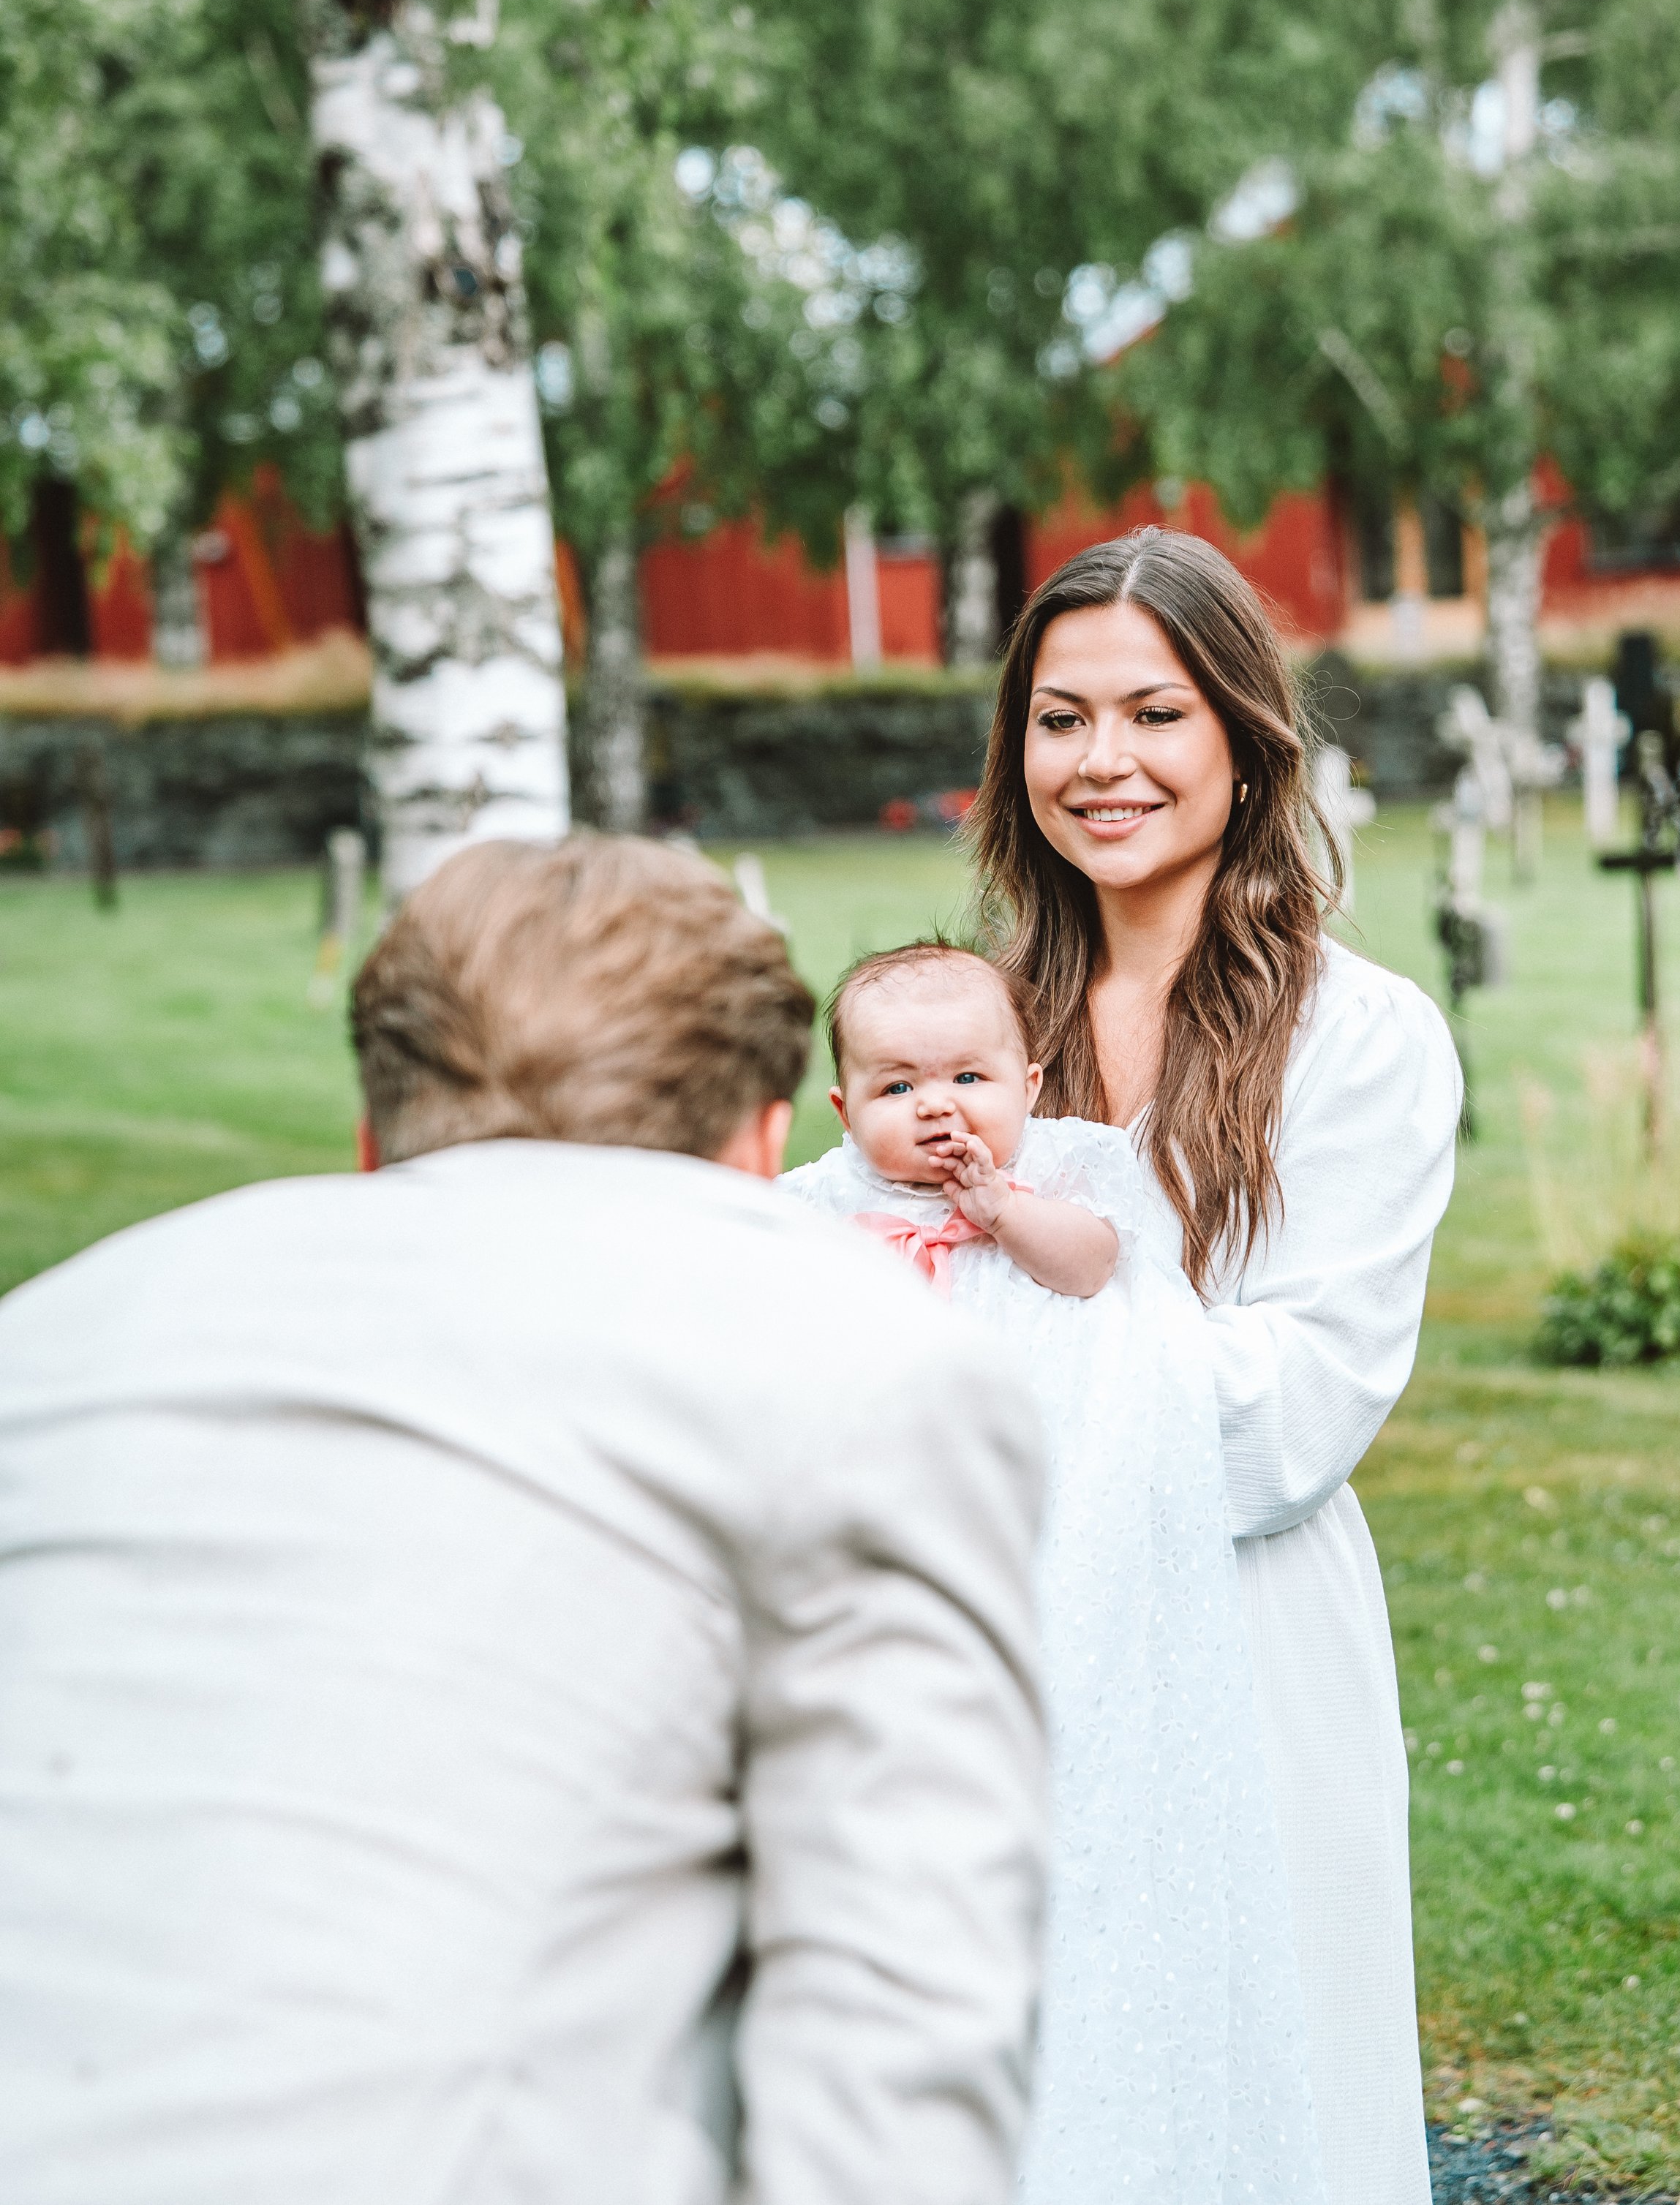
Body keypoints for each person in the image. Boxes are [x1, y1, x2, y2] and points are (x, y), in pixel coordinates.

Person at [0, 835, 1050, 2205]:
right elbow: (903, 2005)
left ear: (376, 1138)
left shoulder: (57, 1335)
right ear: (764, 1139)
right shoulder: (859, 1352)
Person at [968, 528, 1462, 2205]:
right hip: (995, 1631)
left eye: (1151, 713)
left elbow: (1294, 1404)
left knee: (1260, 2099)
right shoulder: (966, 1034)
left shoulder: (1359, 1037)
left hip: (1241, 1636)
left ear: (1245, 743)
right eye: (1057, 719)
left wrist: (981, 1390)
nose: (1098, 762)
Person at [783, 941, 1326, 2205]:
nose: (941, 1109)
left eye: (971, 1076)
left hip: (1047, 1521)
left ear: (1030, 1080)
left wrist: (995, 1209)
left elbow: (1095, 1270)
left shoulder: (1062, 1175)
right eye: (899, 1086)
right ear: (843, 1109)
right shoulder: (818, 1206)